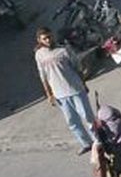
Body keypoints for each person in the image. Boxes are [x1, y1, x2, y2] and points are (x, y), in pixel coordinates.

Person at [33, 27, 93, 155]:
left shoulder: (63, 50)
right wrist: (49, 94)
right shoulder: (39, 55)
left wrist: (83, 83)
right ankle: (86, 143)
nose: (48, 40)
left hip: (75, 89)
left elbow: (77, 67)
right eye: (44, 38)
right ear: (39, 40)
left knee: (88, 117)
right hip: (59, 94)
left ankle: (98, 141)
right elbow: (43, 76)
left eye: (49, 37)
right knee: (72, 122)